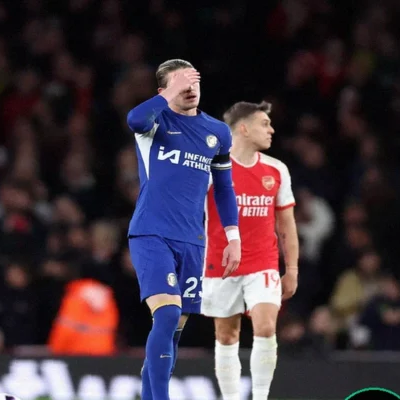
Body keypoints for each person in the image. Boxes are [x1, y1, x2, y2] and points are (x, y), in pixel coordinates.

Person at [125, 59, 241, 400]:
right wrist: (169, 94)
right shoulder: (154, 123)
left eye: (194, 82)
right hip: (151, 233)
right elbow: (134, 119)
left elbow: (224, 188)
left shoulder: (217, 132)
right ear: (164, 90)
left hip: (192, 240)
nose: (189, 89)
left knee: (173, 330)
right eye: (180, 83)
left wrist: (233, 237)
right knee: (167, 312)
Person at [203, 101, 299, 400]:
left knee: (266, 327)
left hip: (264, 263)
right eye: (264, 124)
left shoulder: (276, 170)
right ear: (243, 128)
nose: (271, 130)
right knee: (226, 335)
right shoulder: (210, 168)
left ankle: (260, 396)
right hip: (221, 263)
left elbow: (286, 224)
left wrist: (292, 269)